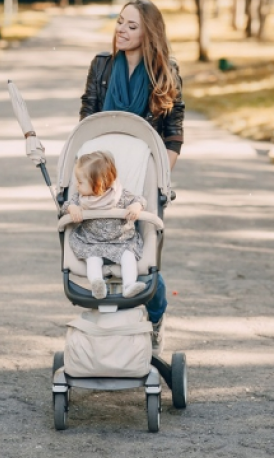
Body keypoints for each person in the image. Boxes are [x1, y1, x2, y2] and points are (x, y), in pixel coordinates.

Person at [80, 0, 184, 353]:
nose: (120, 30)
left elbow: (173, 133)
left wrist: (159, 181)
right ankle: (108, 334)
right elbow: (87, 123)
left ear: (149, 34)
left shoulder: (165, 72)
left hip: (145, 181)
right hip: (101, 178)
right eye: (120, 22)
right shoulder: (101, 67)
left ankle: (155, 317)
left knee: (144, 257)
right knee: (98, 248)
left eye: (131, 26)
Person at [63, 151, 148, 300]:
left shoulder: (120, 195)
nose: (76, 185)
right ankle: (97, 284)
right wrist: (72, 209)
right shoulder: (81, 198)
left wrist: (136, 206)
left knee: (129, 257)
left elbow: (140, 200)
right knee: (92, 259)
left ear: (98, 183)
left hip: (121, 241)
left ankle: (129, 286)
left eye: (80, 182)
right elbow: (66, 206)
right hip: (91, 241)